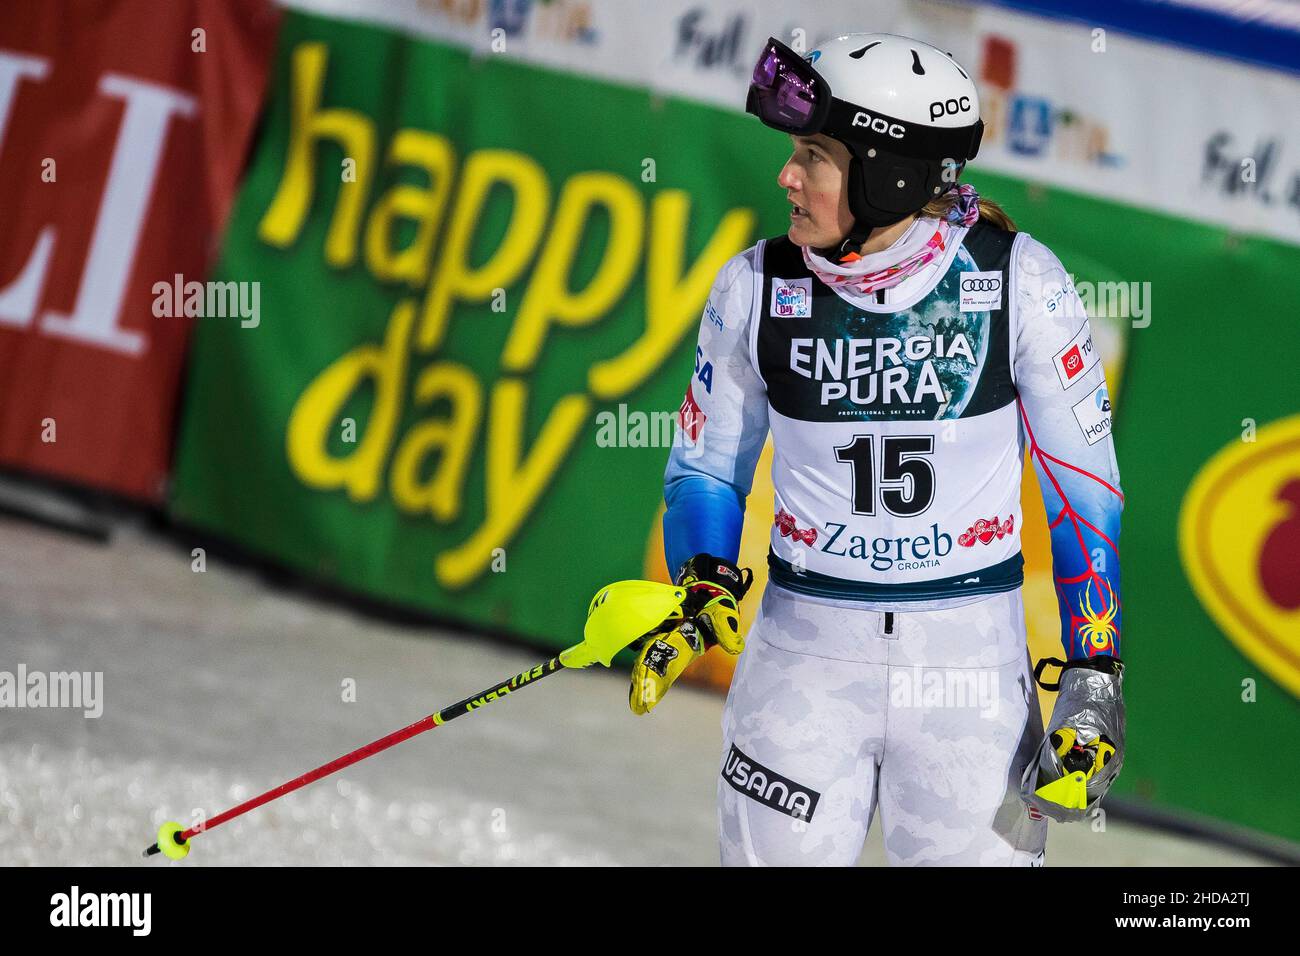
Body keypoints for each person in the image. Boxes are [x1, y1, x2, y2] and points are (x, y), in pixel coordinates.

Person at [628, 33, 1126, 866]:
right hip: (802, 671)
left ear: (888, 172)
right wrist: (702, 581)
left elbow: (1085, 493)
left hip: (972, 680)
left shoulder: (1020, 282)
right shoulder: (753, 287)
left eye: (814, 156)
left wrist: (1093, 673)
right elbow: (707, 467)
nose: (787, 176)